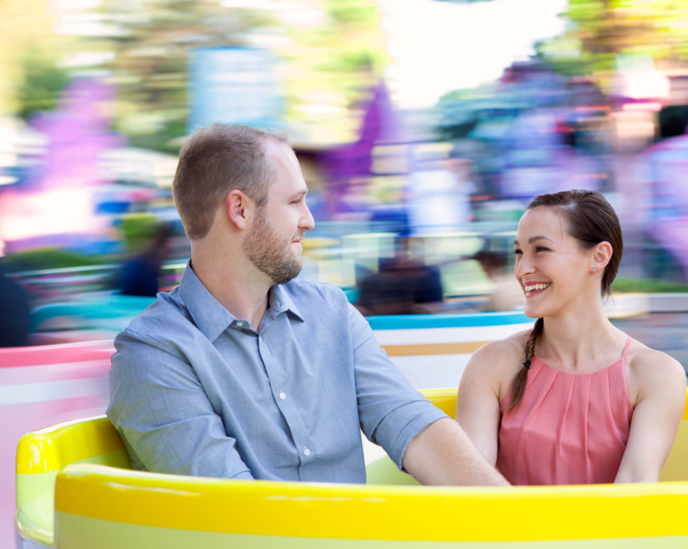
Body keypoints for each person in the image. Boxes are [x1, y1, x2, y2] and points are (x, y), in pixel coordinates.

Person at [108, 124, 507, 487]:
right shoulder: (153, 352)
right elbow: (233, 514)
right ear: (239, 209)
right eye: (295, 201)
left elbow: (412, 424)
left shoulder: (331, 311)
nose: (309, 220)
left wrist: (509, 517)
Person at [456, 190, 687, 485]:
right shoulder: (492, 364)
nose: (522, 269)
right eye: (518, 252)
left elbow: (635, 489)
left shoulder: (655, 374)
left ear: (599, 257)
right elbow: (470, 487)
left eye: (541, 249)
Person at [118, 223, 173, 297]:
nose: (170, 256)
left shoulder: (140, 264)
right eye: (169, 251)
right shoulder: (146, 269)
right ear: (163, 246)